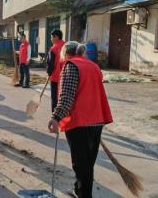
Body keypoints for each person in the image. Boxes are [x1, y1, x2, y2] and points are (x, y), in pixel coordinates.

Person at [48, 41, 113, 198]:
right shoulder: (93, 66)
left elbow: (66, 96)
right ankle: (79, 190)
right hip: (96, 121)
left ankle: (84, 194)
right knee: (87, 164)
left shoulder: (71, 66)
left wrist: (56, 117)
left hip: (80, 123)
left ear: (67, 53)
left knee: (81, 166)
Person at [46, 29, 65, 112]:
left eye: (51, 37)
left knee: (54, 97)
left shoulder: (53, 48)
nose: (51, 39)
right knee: (63, 97)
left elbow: (50, 64)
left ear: (56, 37)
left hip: (55, 77)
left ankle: (55, 115)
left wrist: (48, 73)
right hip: (66, 77)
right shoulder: (67, 46)